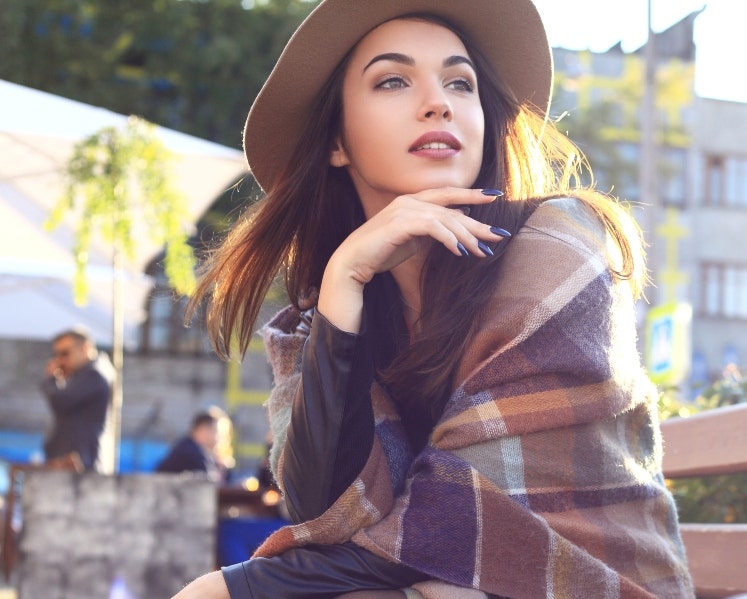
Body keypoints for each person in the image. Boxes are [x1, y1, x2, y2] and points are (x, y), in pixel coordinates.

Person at [175, 0, 693, 597]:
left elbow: (480, 527)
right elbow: (325, 513)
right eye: (393, 80)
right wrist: (344, 282)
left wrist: (234, 587)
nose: (438, 101)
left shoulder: (558, 246)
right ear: (337, 141)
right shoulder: (344, 307)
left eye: (459, 82)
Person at [40, 327, 114, 471]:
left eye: (65, 353)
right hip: (72, 461)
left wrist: (51, 380)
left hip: (80, 464)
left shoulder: (94, 374)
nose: (60, 360)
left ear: (85, 348)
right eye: (57, 354)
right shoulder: (84, 374)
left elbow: (61, 402)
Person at [156, 407, 230, 483]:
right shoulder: (191, 452)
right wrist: (221, 471)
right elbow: (210, 484)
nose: (220, 438)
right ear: (203, 430)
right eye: (217, 432)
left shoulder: (190, 447)